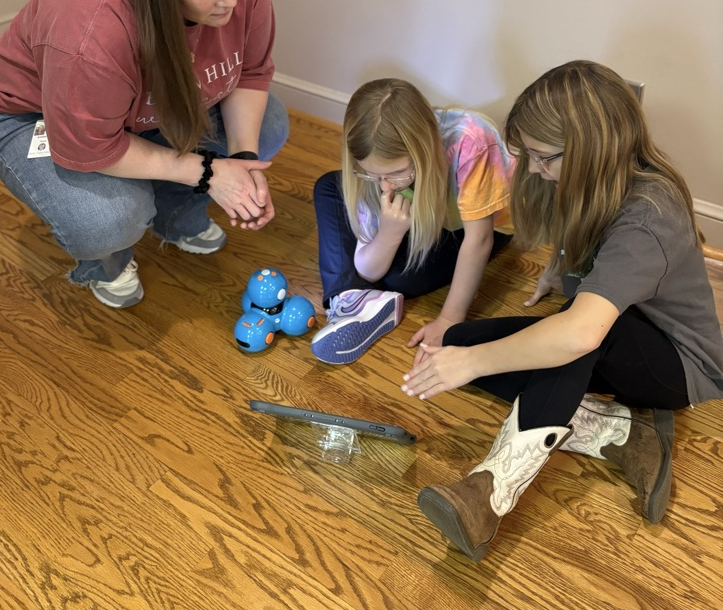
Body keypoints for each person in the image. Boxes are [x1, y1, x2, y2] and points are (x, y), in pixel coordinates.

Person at [402, 60, 723, 561]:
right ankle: (623, 430)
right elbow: (584, 246)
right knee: (459, 342)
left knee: (570, 338)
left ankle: (489, 492)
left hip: (680, 368)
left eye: (542, 156)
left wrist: (473, 363)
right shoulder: (592, 183)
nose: (533, 168)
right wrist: (559, 268)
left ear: (592, 149)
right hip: (613, 332)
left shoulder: (649, 217)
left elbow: (580, 333)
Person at [0, 0, 289, 309]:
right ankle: (107, 263)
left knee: (267, 124)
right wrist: (207, 172)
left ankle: (174, 217)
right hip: (32, 115)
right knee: (108, 220)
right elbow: (90, 145)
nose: (231, 0)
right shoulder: (90, 32)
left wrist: (241, 161)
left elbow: (250, 71)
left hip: (135, 111)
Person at [310, 78, 513, 363]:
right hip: (421, 215)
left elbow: (479, 238)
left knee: (397, 278)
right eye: (373, 174)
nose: (385, 186)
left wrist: (449, 320)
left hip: (474, 227)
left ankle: (355, 295)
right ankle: (350, 297)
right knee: (329, 186)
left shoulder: (472, 140)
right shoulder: (381, 176)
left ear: (422, 151)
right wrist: (389, 233)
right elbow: (368, 270)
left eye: (396, 173)